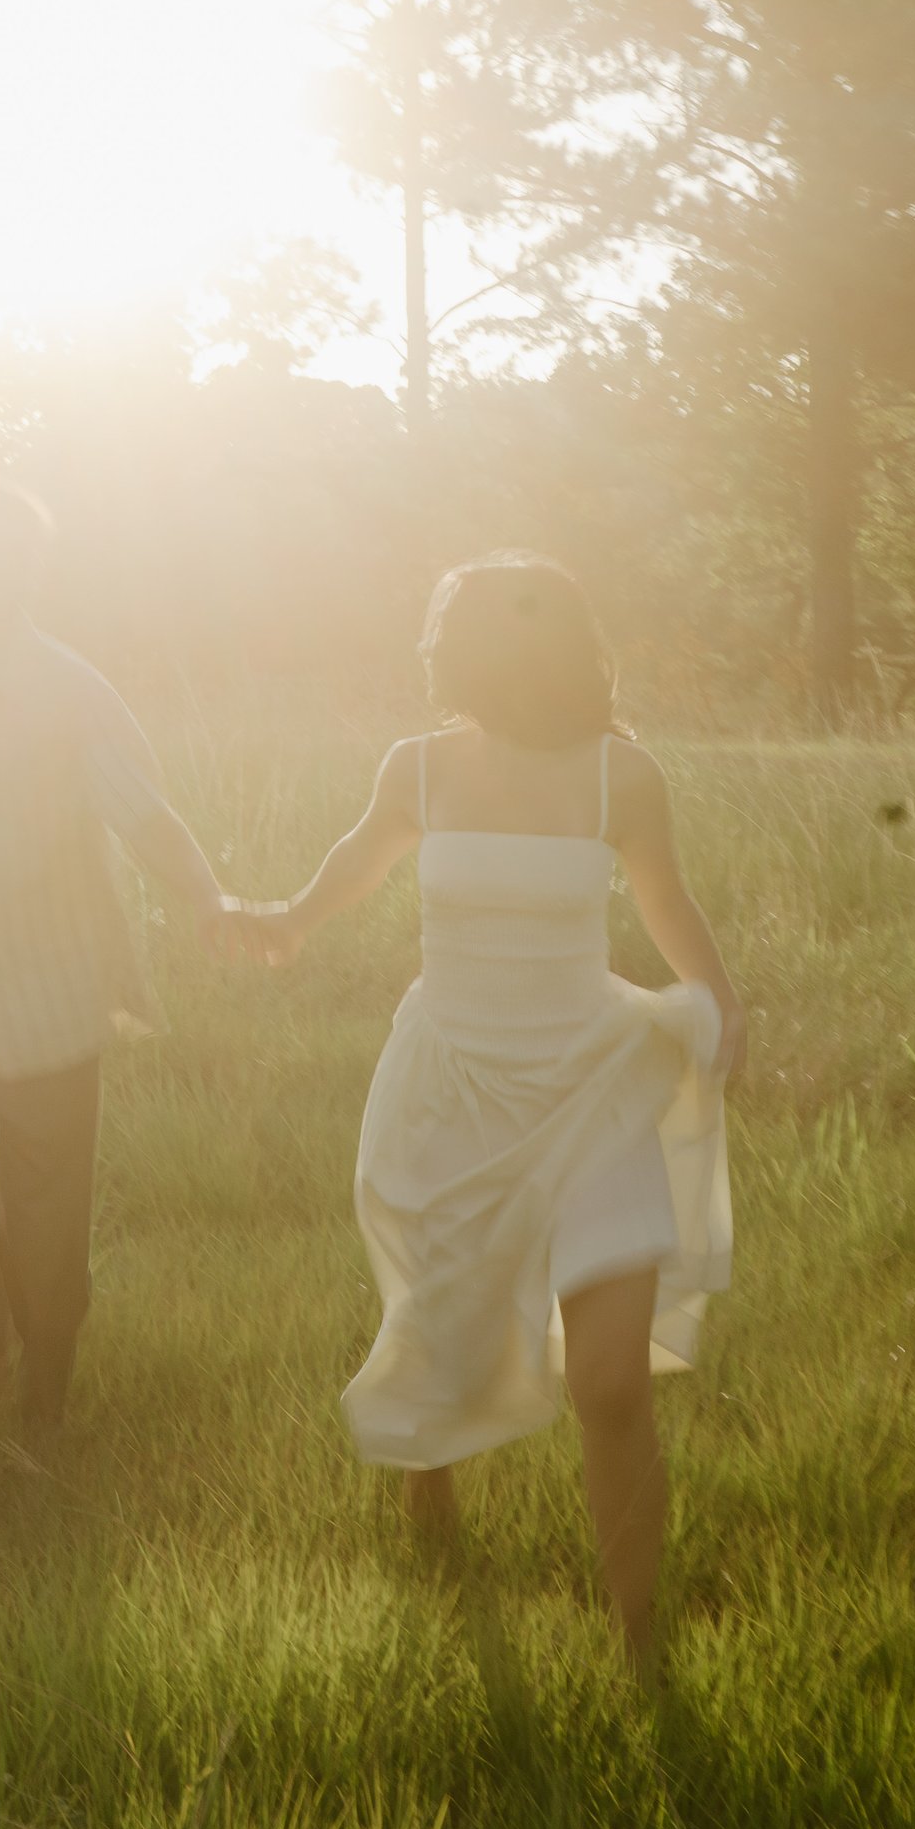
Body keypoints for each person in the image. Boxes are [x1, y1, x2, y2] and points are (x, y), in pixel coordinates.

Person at [243, 554, 741, 1676]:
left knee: (609, 1384)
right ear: (460, 653)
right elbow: (357, 861)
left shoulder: (624, 777)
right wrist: (287, 918)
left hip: (590, 1078)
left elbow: (665, 899)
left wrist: (720, 996)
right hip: (453, 1081)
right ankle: (433, 1469)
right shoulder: (417, 767)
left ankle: (640, 1646)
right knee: (453, 1313)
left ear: (562, 645)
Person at [0, 477, 243, 1433]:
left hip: (49, 994)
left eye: (6, 556)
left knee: (48, 1230)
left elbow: (144, 815)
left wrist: (209, 896)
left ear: (29, 571)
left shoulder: (69, 689)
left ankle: (44, 1406)